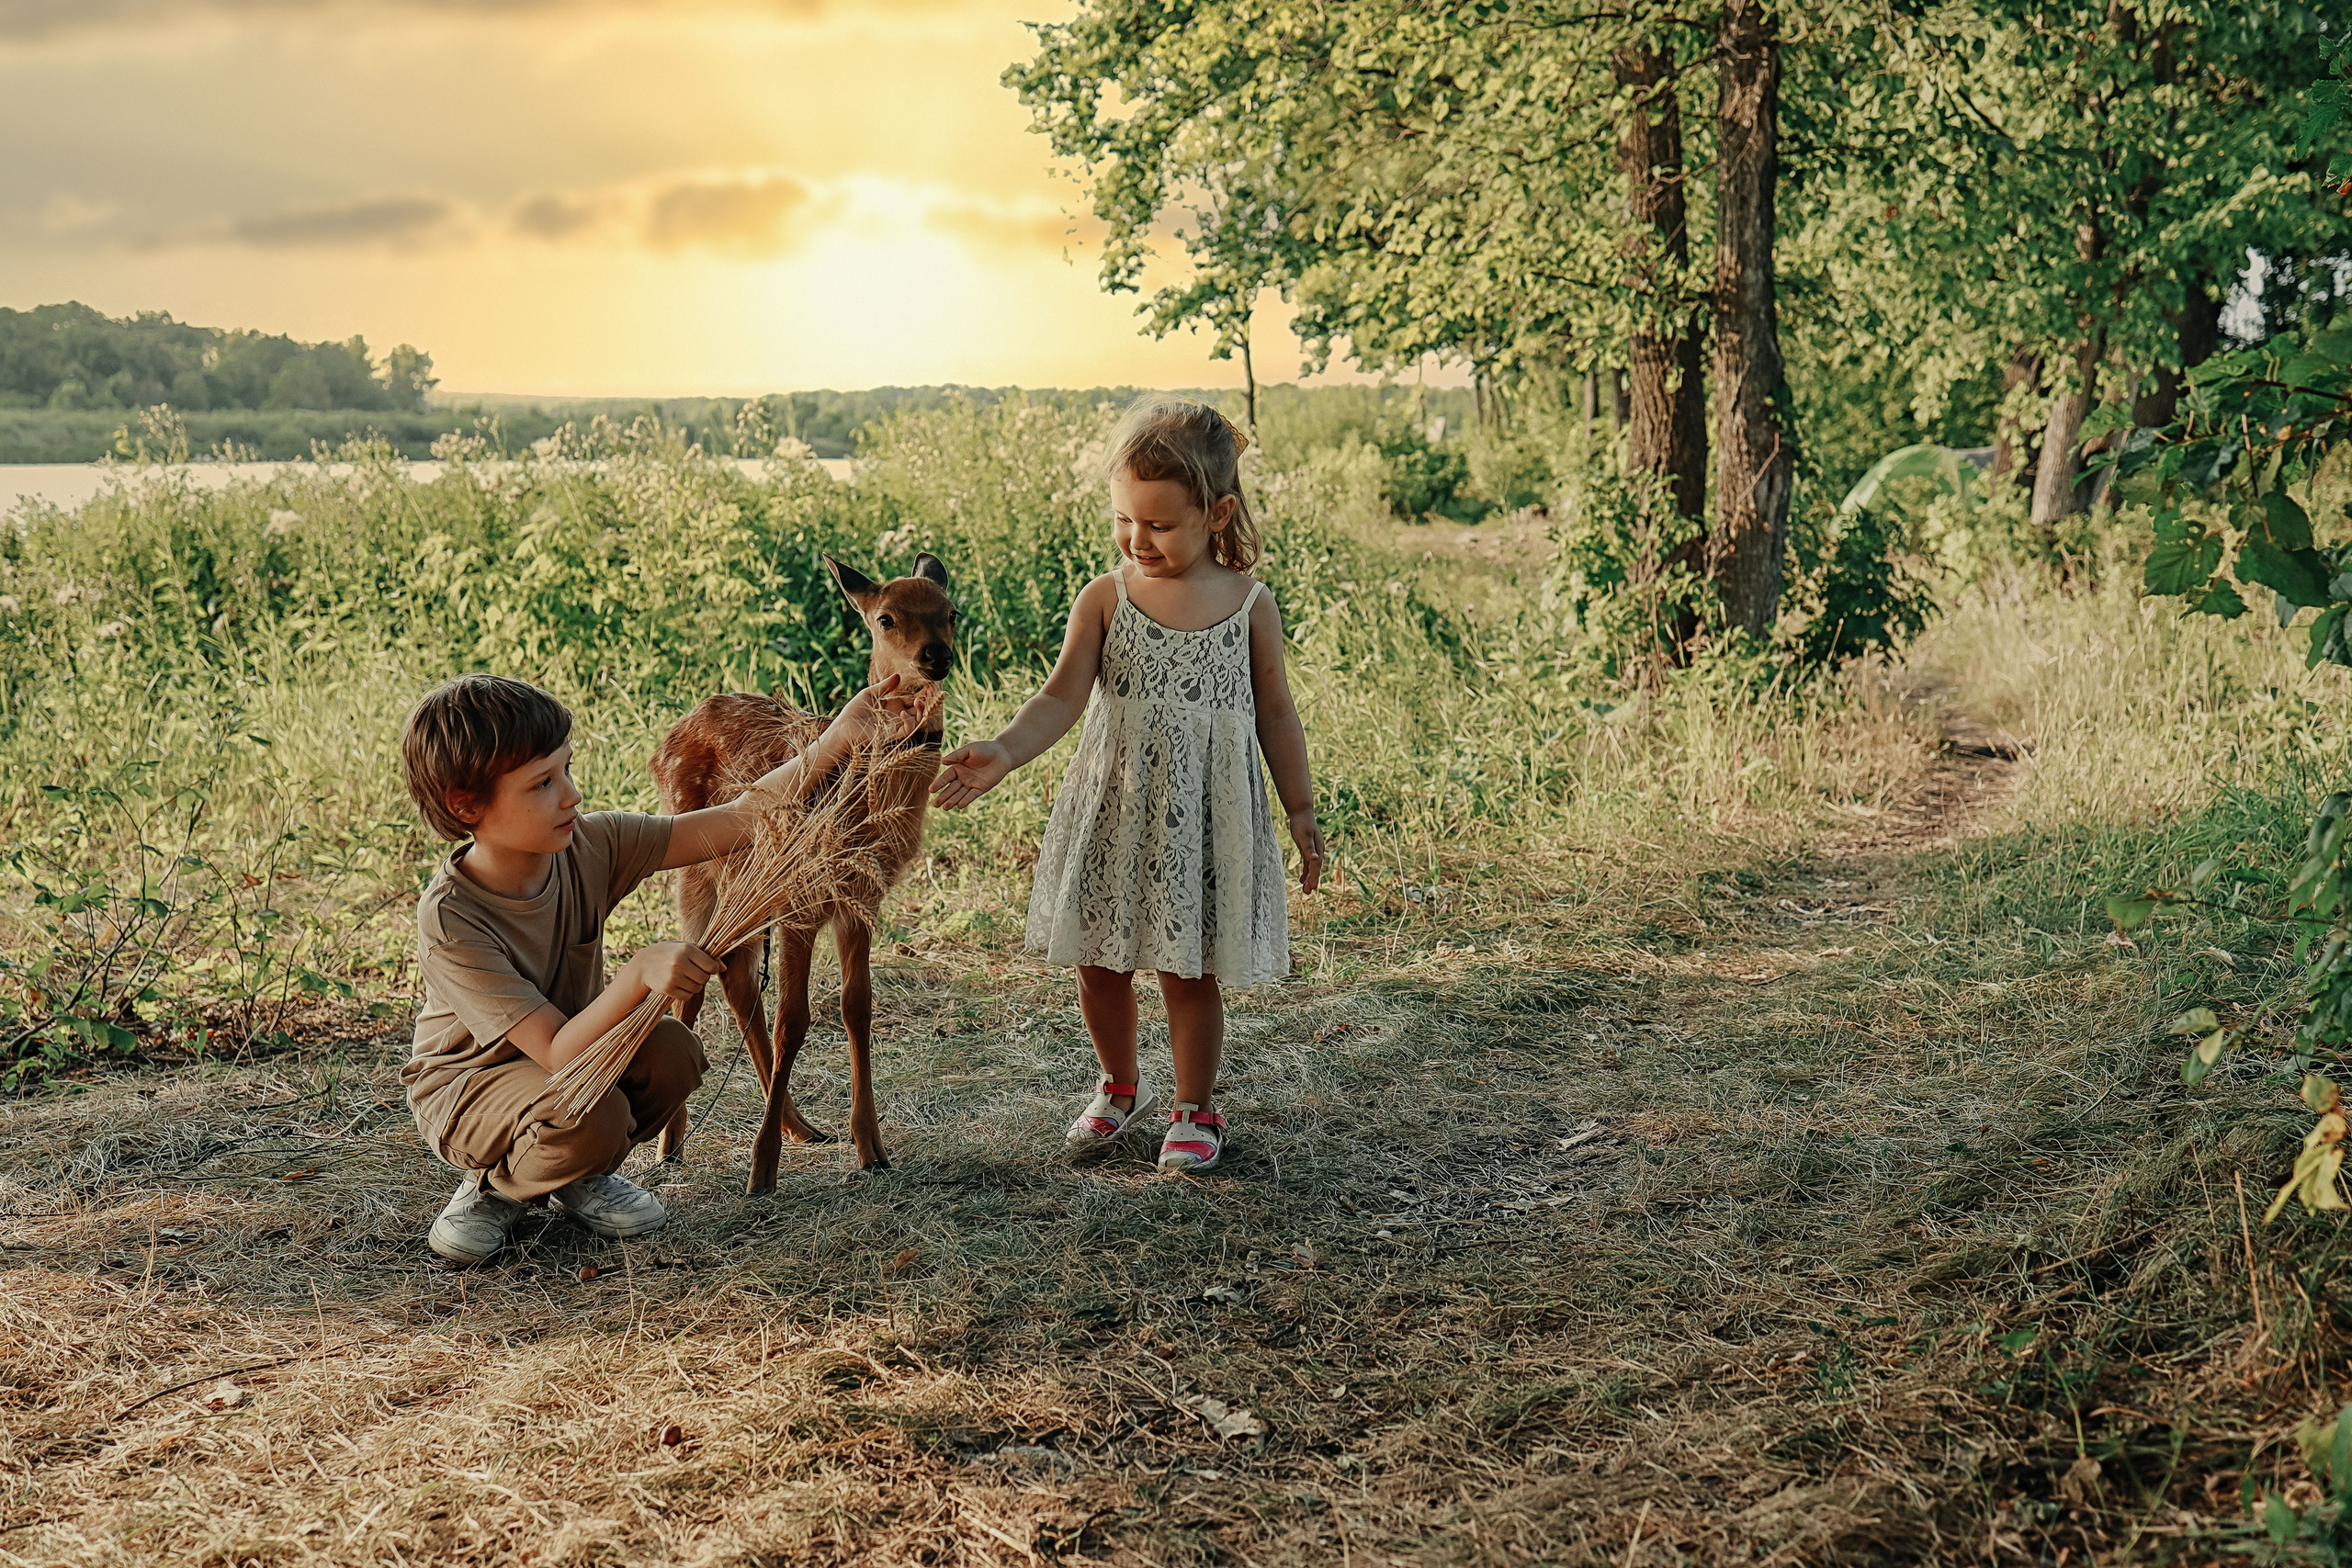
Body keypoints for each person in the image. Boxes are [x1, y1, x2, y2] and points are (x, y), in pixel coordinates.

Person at [400, 671, 934, 1266]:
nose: (571, 794)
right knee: (597, 1117)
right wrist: (638, 973)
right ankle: (493, 1189)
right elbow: (553, 1048)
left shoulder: (588, 845)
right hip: (474, 1087)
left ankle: (572, 1173)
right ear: (467, 805)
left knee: (675, 1052)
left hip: (569, 1067)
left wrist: (838, 737)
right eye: (542, 784)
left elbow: (737, 818)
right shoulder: (452, 917)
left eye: (567, 770)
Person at [931, 397, 1325, 1174]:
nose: (1136, 540)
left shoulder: (1249, 606)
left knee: (1188, 967)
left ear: (1217, 515)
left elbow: (1276, 712)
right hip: (1114, 810)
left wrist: (1301, 807)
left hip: (1202, 819)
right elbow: (1060, 695)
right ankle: (1117, 1084)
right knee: (1099, 960)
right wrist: (1006, 750)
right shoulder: (1106, 598)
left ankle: (1194, 1105)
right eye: (1124, 520)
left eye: (1158, 525)